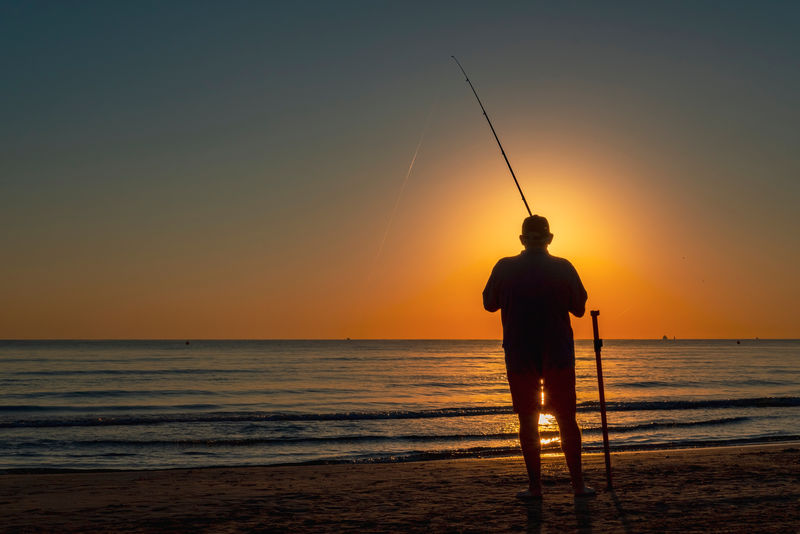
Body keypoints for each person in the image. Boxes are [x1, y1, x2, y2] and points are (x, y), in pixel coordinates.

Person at [483, 215, 594, 499]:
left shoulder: (504, 266)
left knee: (528, 420)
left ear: (522, 239)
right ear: (550, 239)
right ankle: (578, 486)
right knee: (566, 419)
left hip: (520, 353)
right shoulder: (563, 267)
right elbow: (579, 308)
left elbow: (489, 304)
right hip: (557, 353)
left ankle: (535, 488)